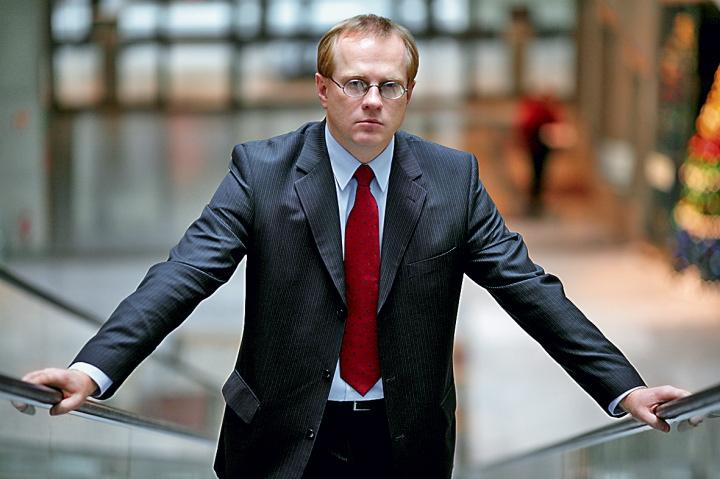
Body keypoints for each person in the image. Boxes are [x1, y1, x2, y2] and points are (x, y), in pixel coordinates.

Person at [20, 14, 691, 479]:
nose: (372, 100)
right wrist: (92, 369)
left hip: (404, 445)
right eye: (355, 83)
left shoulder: (453, 181)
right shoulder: (262, 172)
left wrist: (623, 387)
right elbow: (184, 273)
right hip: (278, 442)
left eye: (388, 86)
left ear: (408, 94)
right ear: (323, 89)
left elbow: (529, 289)